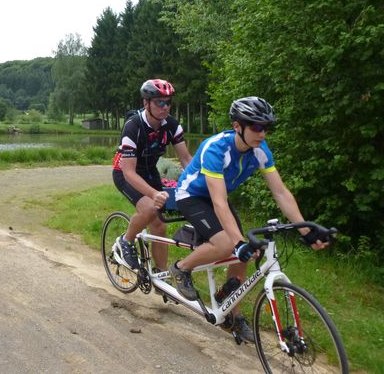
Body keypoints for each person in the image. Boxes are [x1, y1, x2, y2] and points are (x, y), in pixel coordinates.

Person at [169, 96, 330, 342]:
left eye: (265, 127)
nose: (262, 133)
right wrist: (236, 242)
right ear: (237, 126)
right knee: (228, 244)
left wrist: (305, 232)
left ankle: (233, 314)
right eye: (255, 127)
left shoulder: (260, 151)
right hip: (191, 195)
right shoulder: (216, 148)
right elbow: (218, 202)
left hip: (217, 196)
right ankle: (180, 269)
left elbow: (281, 192)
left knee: (246, 250)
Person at [112, 79, 192, 272]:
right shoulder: (133, 126)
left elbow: (186, 159)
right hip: (125, 172)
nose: (165, 107)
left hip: (149, 172)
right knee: (149, 209)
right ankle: (125, 241)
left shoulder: (172, 126)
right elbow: (129, 172)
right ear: (146, 103)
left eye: (168, 102)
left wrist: (201, 183)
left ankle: (161, 275)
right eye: (159, 102)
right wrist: (153, 194)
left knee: (160, 226)